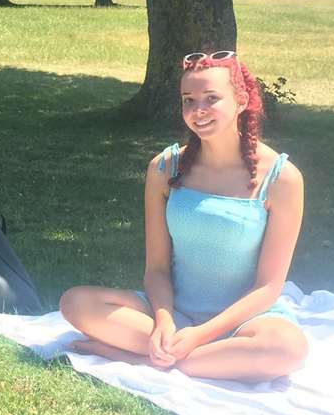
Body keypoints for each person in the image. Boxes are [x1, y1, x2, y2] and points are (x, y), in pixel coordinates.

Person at [60, 51, 309, 382]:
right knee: (75, 303)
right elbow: (157, 269)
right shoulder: (164, 168)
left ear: (241, 100)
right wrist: (164, 323)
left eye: (211, 98)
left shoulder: (282, 178)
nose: (198, 111)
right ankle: (190, 356)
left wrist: (200, 335)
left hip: (245, 322)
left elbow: (268, 287)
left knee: (287, 349)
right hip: (171, 314)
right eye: (188, 100)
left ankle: (150, 359)